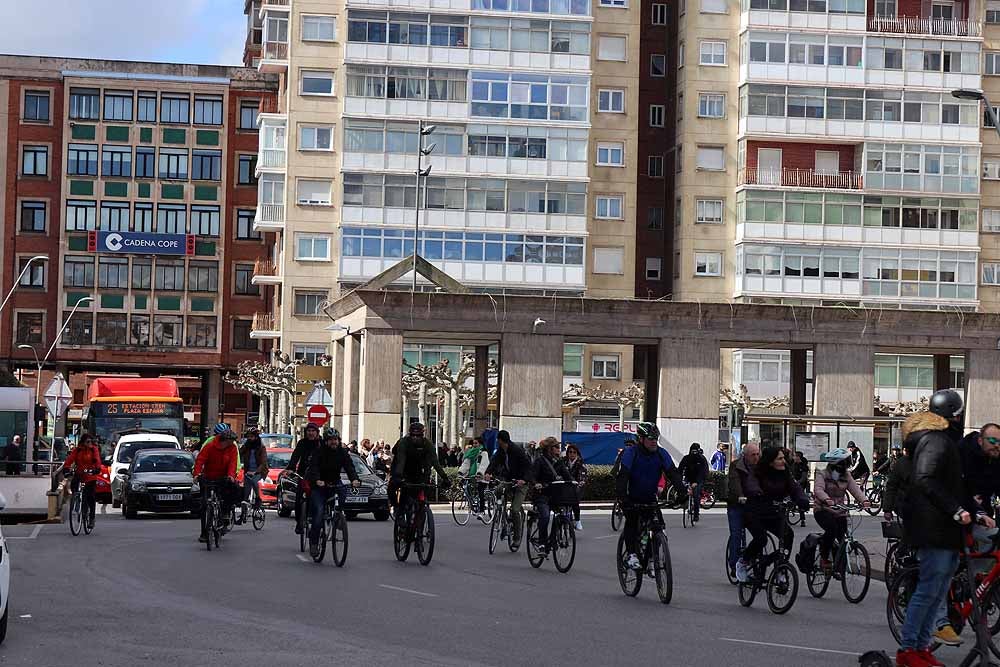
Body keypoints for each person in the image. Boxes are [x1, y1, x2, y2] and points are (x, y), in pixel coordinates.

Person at [895, 389, 971, 667]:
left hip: (942, 529)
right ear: (953, 414)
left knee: (937, 592)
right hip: (934, 528)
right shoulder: (937, 440)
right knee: (929, 591)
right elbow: (924, 478)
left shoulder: (938, 440)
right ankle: (908, 650)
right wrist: (956, 509)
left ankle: (922, 647)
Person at [615, 422, 686, 571]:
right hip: (631, 497)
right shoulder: (631, 453)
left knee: (658, 526)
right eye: (650, 438)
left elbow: (673, 473)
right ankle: (632, 555)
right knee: (632, 522)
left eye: (656, 438)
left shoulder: (661, 453)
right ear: (640, 438)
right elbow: (623, 476)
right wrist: (623, 498)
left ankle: (652, 558)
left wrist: (682, 493)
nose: (654, 441)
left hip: (650, 497)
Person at [736, 447, 810, 583]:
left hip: (773, 513)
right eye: (780, 459)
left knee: (788, 535)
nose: (783, 461)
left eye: (783, 458)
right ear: (771, 462)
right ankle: (743, 561)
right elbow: (752, 485)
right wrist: (758, 494)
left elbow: (794, 487)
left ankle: (780, 568)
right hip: (755, 512)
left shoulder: (785, 473)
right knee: (761, 539)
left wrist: (802, 499)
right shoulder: (758, 472)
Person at [305, 428, 360, 556]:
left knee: (343, 493)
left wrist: (354, 479)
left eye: (335, 439)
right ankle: (314, 543)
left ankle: (338, 517)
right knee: (318, 513)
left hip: (334, 482)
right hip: (319, 485)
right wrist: (317, 480)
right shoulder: (318, 452)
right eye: (331, 440)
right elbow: (314, 467)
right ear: (326, 441)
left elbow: (349, 467)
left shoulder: (342, 452)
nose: (333, 442)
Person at [812, 448, 869, 572]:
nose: (846, 467)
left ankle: (838, 564)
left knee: (842, 537)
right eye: (844, 463)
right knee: (832, 529)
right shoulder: (822, 474)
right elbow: (818, 489)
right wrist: (827, 500)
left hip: (839, 510)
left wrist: (864, 500)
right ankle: (824, 558)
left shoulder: (846, 475)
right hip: (823, 509)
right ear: (836, 464)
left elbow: (855, 489)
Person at [484, 429, 532, 548]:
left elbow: (528, 467)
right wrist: (488, 472)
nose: (497, 442)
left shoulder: (517, 451)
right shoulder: (501, 451)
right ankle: (501, 514)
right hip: (509, 480)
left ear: (500, 440)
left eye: (498, 440)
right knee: (498, 490)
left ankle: (516, 537)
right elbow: (494, 462)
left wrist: (524, 480)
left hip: (521, 482)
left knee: (515, 509)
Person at [390, 422, 451, 513]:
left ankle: (421, 509)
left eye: (418, 436)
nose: (415, 438)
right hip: (402, 467)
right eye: (413, 435)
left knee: (423, 484)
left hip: (418, 468)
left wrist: (445, 478)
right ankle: (397, 508)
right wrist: (398, 477)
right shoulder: (404, 442)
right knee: (392, 487)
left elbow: (435, 463)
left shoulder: (427, 444)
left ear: (422, 435)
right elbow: (401, 462)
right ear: (409, 435)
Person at [193, 429, 240, 543]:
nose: (232, 443)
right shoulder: (210, 446)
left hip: (223, 477)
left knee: (230, 491)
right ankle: (204, 532)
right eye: (231, 441)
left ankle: (225, 513)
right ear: (225, 440)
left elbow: (233, 463)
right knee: (204, 504)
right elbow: (200, 460)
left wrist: (231, 476)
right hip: (208, 476)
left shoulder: (232, 448)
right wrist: (197, 474)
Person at [529, 437, 573, 552]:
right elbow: (532, 476)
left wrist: (574, 482)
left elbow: (567, 476)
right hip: (542, 494)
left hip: (556, 495)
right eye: (556, 447)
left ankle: (553, 539)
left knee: (560, 515)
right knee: (545, 516)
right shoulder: (540, 461)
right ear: (549, 449)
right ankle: (542, 542)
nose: (559, 449)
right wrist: (536, 483)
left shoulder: (559, 462)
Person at [727, 442, 761, 576]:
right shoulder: (736, 465)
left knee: (760, 534)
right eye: (753, 455)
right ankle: (734, 565)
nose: (756, 457)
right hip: (737, 504)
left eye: (758, 454)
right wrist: (740, 496)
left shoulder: (760, 467)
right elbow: (735, 483)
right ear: (745, 456)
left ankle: (755, 559)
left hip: (753, 505)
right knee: (736, 535)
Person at [286, 423, 322, 535]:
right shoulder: (302, 443)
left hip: (318, 476)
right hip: (303, 475)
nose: (310, 433)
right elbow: (295, 456)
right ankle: (300, 522)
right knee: (299, 500)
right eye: (308, 431)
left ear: (317, 432)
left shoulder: (322, 443)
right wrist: (291, 468)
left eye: (313, 431)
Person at [63, 433, 102, 527]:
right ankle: (76, 499)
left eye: (90, 441)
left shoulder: (93, 449)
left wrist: (97, 469)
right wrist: (66, 468)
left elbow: (97, 460)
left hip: (90, 474)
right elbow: (70, 459)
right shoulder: (78, 450)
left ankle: (91, 517)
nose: (89, 443)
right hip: (80, 473)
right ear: (83, 442)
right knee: (74, 485)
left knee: (90, 496)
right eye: (87, 442)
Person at [239, 428, 268, 518]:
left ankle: (258, 499)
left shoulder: (261, 447)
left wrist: (255, 472)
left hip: (259, 471)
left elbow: (263, 463)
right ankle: (243, 515)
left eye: (252, 437)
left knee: (254, 481)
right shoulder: (246, 446)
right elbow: (238, 454)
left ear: (256, 437)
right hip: (248, 471)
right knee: (245, 494)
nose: (250, 439)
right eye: (248, 437)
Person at [458, 437, 490, 518]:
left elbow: (484, 464)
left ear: (480, 444)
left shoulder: (483, 453)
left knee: (480, 491)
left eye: (476, 443)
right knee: (465, 486)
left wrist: (480, 473)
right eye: (473, 443)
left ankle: (482, 511)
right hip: (472, 475)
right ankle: (471, 503)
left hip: (481, 476)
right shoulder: (470, 452)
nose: (474, 445)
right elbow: (466, 463)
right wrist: (461, 471)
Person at [678, 443, 709, 522]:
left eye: (696, 451)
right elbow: (680, 469)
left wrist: (697, 482)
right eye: (693, 451)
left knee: (696, 494)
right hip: (689, 478)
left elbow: (704, 472)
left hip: (699, 479)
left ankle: (696, 514)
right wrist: (679, 479)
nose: (694, 453)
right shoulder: (686, 458)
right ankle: (684, 503)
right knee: (683, 490)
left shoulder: (702, 459)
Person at [564, 444, 587, 530]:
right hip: (565, 485)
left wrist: (580, 482)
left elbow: (583, 475)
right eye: (570, 452)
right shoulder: (564, 461)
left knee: (574, 502)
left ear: (577, 453)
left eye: (574, 452)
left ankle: (577, 521)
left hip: (577, 486)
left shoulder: (580, 463)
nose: (572, 454)